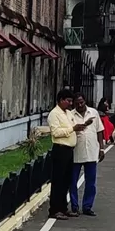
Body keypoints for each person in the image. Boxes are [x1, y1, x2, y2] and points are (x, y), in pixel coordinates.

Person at [47, 88, 88, 220]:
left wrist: (81, 126)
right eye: (68, 101)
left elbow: (73, 127)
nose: (70, 104)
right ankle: (54, 209)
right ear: (61, 100)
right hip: (60, 149)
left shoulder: (68, 113)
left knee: (66, 181)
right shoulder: (54, 114)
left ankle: (63, 208)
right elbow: (56, 132)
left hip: (70, 150)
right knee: (58, 180)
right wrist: (72, 129)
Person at [70, 94, 106, 217]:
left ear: (85, 101)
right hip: (76, 152)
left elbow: (99, 130)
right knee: (72, 181)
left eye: (81, 102)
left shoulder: (93, 113)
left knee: (91, 182)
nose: (80, 105)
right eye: (77, 103)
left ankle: (87, 206)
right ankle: (74, 206)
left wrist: (101, 148)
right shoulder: (71, 115)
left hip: (91, 152)